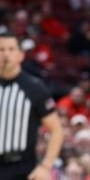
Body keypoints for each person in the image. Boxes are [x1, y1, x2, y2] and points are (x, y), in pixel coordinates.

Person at [0, 31, 64, 180]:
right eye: (1, 49)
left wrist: (46, 166)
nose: (6, 54)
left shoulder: (34, 88)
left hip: (22, 168)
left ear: (20, 55)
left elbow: (56, 130)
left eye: (11, 49)